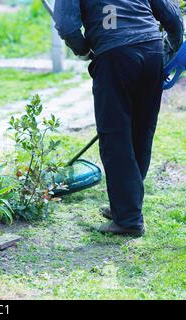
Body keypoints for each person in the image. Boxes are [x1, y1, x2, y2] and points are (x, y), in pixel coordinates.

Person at [54, 0, 184, 236]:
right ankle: (125, 208)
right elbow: (172, 16)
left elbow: (66, 25)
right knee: (141, 131)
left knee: (115, 137)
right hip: (151, 50)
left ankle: (128, 220)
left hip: (115, 54)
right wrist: (169, 50)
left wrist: (84, 50)